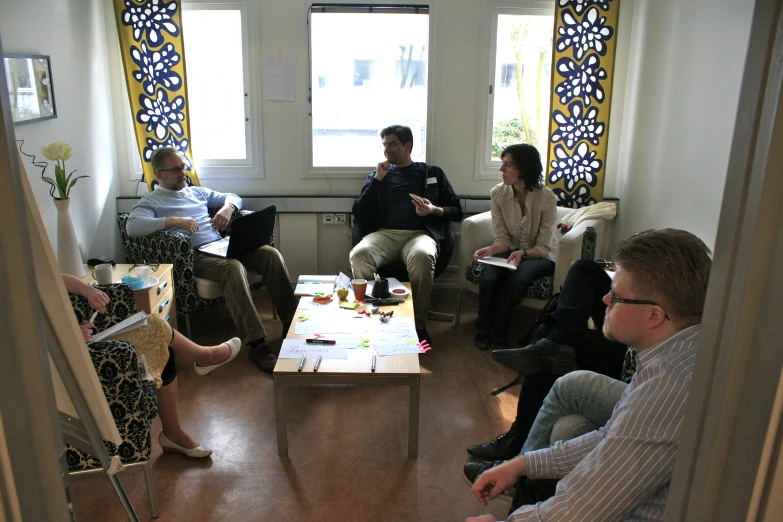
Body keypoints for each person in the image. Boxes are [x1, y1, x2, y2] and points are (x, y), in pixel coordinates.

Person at [466, 228, 712, 521]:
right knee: (569, 417)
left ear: (654, 316)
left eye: (617, 295)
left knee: (568, 427)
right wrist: (523, 464)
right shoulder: (678, 350)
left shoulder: (668, 385)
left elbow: (584, 510)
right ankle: (524, 480)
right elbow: (612, 434)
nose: (605, 299)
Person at [127, 147, 298, 373]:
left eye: (183, 167)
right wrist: (172, 221)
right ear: (160, 174)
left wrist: (227, 209)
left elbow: (233, 196)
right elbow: (132, 226)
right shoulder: (152, 201)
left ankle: (291, 323)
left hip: (221, 246)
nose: (182, 173)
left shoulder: (196, 192)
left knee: (270, 255)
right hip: (195, 256)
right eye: (176, 169)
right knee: (233, 268)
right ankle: (256, 344)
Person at [466, 259, 629, 461]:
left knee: (546, 341)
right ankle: (558, 339)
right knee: (584, 268)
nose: (607, 299)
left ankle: (520, 446)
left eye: (619, 296)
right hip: (624, 346)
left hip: (626, 366)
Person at [64, 274, 241, 458]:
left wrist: (89, 291)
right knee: (156, 331)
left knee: (161, 341)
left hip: (85, 341)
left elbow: (55, 279)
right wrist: (69, 333)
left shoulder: (33, 270)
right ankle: (205, 357)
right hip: (72, 356)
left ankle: (173, 432)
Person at [350, 125, 462, 342]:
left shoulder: (432, 173)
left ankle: (418, 325)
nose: (386, 150)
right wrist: (377, 180)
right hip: (385, 235)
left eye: (392, 144)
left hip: (420, 234)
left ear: (408, 146)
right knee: (359, 255)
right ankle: (373, 315)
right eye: (384, 145)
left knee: (422, 256)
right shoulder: (378, 175)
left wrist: (433, 210)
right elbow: (360, 212)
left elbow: (457, 211)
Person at [472, 144, 557, 349]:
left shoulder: (546, 198)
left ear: (524, 169)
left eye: (507, 165)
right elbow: (503, 239)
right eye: (502, 164)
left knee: (520, 275)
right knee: (490, 274)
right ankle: (483, 329)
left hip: (539, 255)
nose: (501, 170)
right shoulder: (498, 194)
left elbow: (544, 247)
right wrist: (490, 250)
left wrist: (524, 253)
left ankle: (499, 329)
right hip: (510, 250)